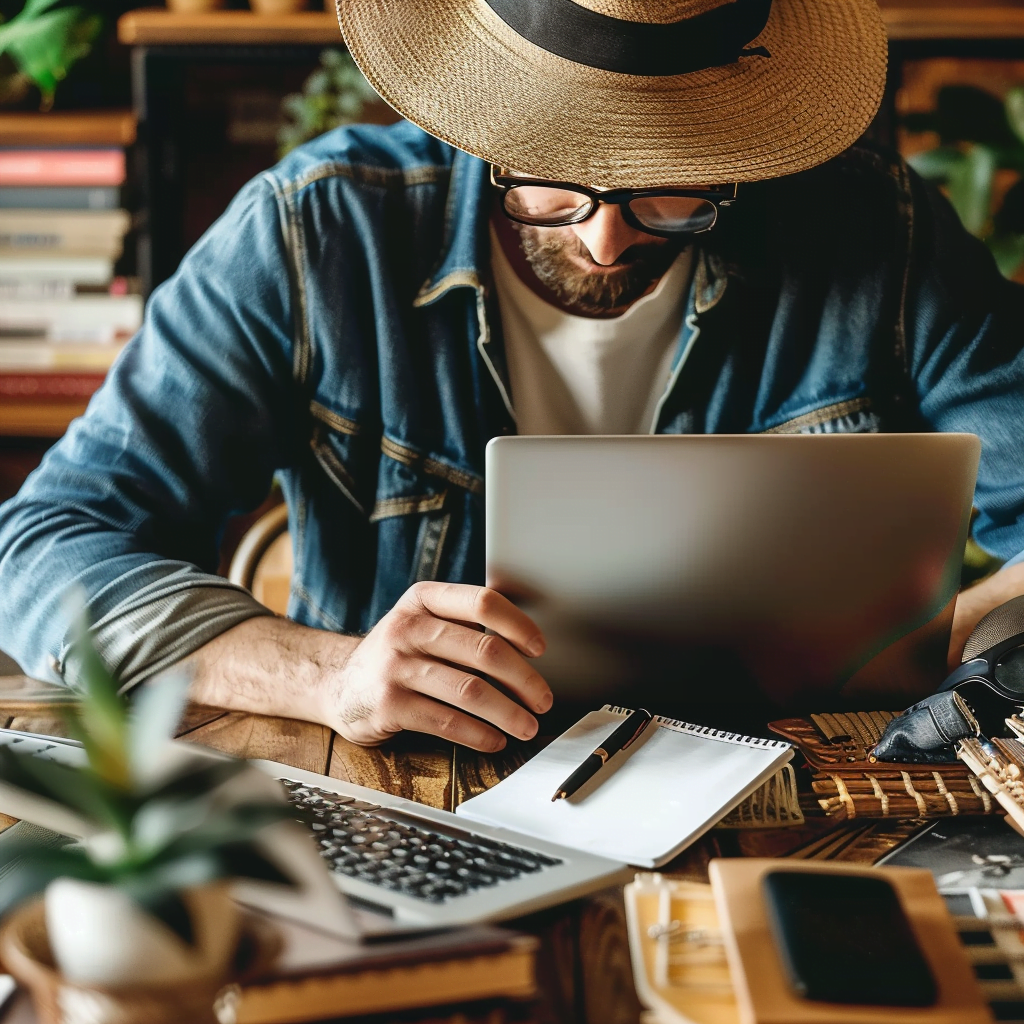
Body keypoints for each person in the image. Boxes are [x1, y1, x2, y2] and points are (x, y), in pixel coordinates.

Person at [1, 0, 1024, 753]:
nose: (608, 238)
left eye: (670, 182)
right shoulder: (315, 234)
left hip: (789, 782)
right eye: (559, 173)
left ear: (741, 140)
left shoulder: (877, 233)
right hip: (409, 787)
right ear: (484, 115)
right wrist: (330, 674)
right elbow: (44, 546)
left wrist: (956, 642)